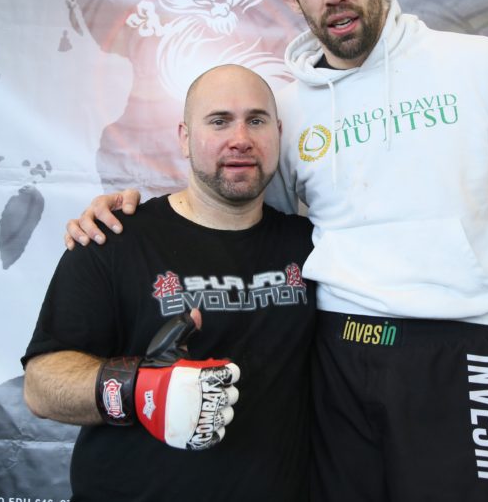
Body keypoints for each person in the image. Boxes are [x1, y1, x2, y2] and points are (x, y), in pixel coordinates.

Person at [66, 0, 488, 501]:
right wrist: (129, 216)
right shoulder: (286, 110)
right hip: (340, 350)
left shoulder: (479, 66)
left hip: (462, 349)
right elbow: (234, 206)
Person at [22, 64, 317, 501]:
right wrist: (140, 386)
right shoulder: (114, 237)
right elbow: (42, 386)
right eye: (219, 121)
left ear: (277, 132)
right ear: (184, 137)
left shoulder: (311, 246)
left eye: (256, 121)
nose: (240, 138)